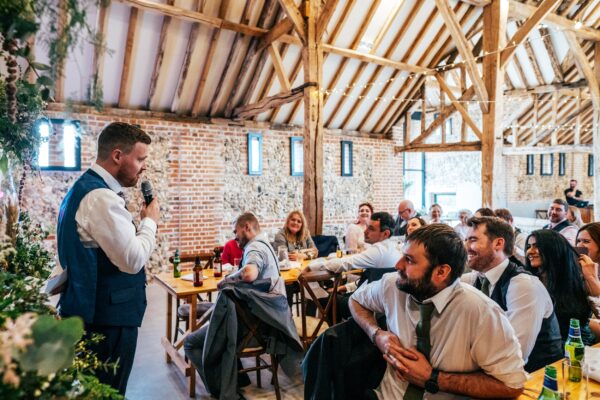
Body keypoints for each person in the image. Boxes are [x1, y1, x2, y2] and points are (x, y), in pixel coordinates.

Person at [350, 224, 527, 399]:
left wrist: (433, 378)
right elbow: (355, 300)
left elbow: (512, 385)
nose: (397, 265)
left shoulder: (480, 312)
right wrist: (376, 334)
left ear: (441, 272)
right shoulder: (392, 286)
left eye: (409, 260)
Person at [56, 122, 160, 395]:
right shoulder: (100, 197)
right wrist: (150, 223)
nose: (143, 167)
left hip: (94, 314)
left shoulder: (83, 188)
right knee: (109, 391)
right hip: (107, 321)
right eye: (139, 159)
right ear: (117, 156)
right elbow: (133, 259)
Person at [184, 213, 294, 395]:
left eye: (236, 231)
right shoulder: (267, 246)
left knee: (190, 343)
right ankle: (238, 378)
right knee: (213, 314)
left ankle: (222, 391)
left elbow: (250, 273)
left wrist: (228, 279)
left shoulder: (255, 247)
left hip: (253, 332)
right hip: (269, 326)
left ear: (247, 227)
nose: (234, 237)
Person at [462, 217, 562, 372]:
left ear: (498, 244)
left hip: (539, 380)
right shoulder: (477, 278)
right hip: (494, 371)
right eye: (466, 240)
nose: (466, 246)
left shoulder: (524, 286)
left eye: (473, 240)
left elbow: (515, 354)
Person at [320, 212, 401, 319]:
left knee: (323, 298)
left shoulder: (379, 250)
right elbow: (372, 280)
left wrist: (316, 265)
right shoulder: (393, 248)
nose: (365, 231)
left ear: (385, 234)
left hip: (366, 306)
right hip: (379, 304)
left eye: (371, 229)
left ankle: (336, 331)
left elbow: (345, 263)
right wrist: (345, 287)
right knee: (332, 295)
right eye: (367, 227)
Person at [525, 229, 595, 345]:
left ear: (554, 249)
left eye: (536, 246)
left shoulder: (578, 279)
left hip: (575, 347)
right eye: (529, 246)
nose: (529, 252)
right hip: (542, 346)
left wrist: (591, 278)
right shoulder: (528, 280)